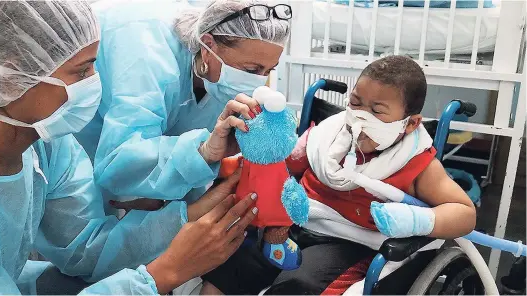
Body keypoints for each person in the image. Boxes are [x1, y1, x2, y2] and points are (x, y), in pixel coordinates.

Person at [0, 1, 259, 294]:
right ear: (12, 75)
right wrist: (162, 275)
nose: (94, 85)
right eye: (81, 72)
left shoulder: (45, 144)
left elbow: (86, 247)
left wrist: (193, 215)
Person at [201, 55, 477, 295]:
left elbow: (464, 213)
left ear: (410, 124)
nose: (360, 117)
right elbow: (281, 168)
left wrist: (414, 219)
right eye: (355, 103)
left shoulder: (417, 164)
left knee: (299, 286)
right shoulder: (326, 135)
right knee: (228, 264)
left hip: (350, 242)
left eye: (377, 111)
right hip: (293, 225)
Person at [73, 0, 291, 211]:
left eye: (268, 71)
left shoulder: (219, 79)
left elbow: (188, 161)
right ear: (207, 48)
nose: (258, 81)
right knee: (92, 218)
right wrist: (203, 152)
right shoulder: (148, 56)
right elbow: (118, 159)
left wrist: (172, 201)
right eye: (252, 70)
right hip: (83, 121)